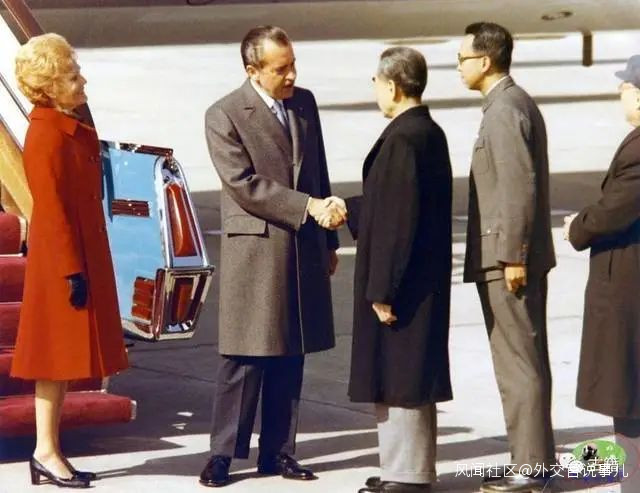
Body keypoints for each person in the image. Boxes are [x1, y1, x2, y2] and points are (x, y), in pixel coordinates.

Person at [199, 25, 346, 488]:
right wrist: (308, 208)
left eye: (293, 65)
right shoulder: (224, 114)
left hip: (302, 243)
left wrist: (329, 242)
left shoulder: (304, 103)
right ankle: (222, 454)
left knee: (290, 351)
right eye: (281, 69)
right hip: (257, 248)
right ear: (253, 70)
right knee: (245, 356)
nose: (291, 76)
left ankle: (279, 451)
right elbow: (243, 184)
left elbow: (318, 169)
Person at [10, 33, 128, 488]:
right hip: (62, 261)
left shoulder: (65, 126)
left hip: (76, 255)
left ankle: (48, 450)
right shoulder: (45, 134)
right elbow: (52, 209)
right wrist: (71, 271)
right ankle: (45, 451)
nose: (83, 82)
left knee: (59, 362)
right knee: (53, 360)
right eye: (73, 76)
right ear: (51, 85)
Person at [345, 47, 453, 493]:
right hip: (421, 279)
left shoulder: (403, 140)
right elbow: (390, 205)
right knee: (405, 375)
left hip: (404, 285)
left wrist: (382, 289)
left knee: (402, 376)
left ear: (391, 85)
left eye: (376, 82)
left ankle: (408, 476)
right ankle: (402, 469)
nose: (375, 89)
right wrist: (350, 209)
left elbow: (397, 223)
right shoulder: (427, 132)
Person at [457, 22, 556, 493]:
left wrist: (513, 255)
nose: (459, 67)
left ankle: (531, 470)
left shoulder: (504, 111)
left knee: (519, 364)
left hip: (507, 260)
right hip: (509, 255)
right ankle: (532, 460)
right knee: (524, 361)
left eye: (462, 59)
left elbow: (518, 187)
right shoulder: (510, 104)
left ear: (485, 60)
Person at [564, 55, 640, 493]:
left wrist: (577, 226)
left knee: (629, 393)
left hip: (630, 293)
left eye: (626, 86)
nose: (620, 93)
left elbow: (615, 210)